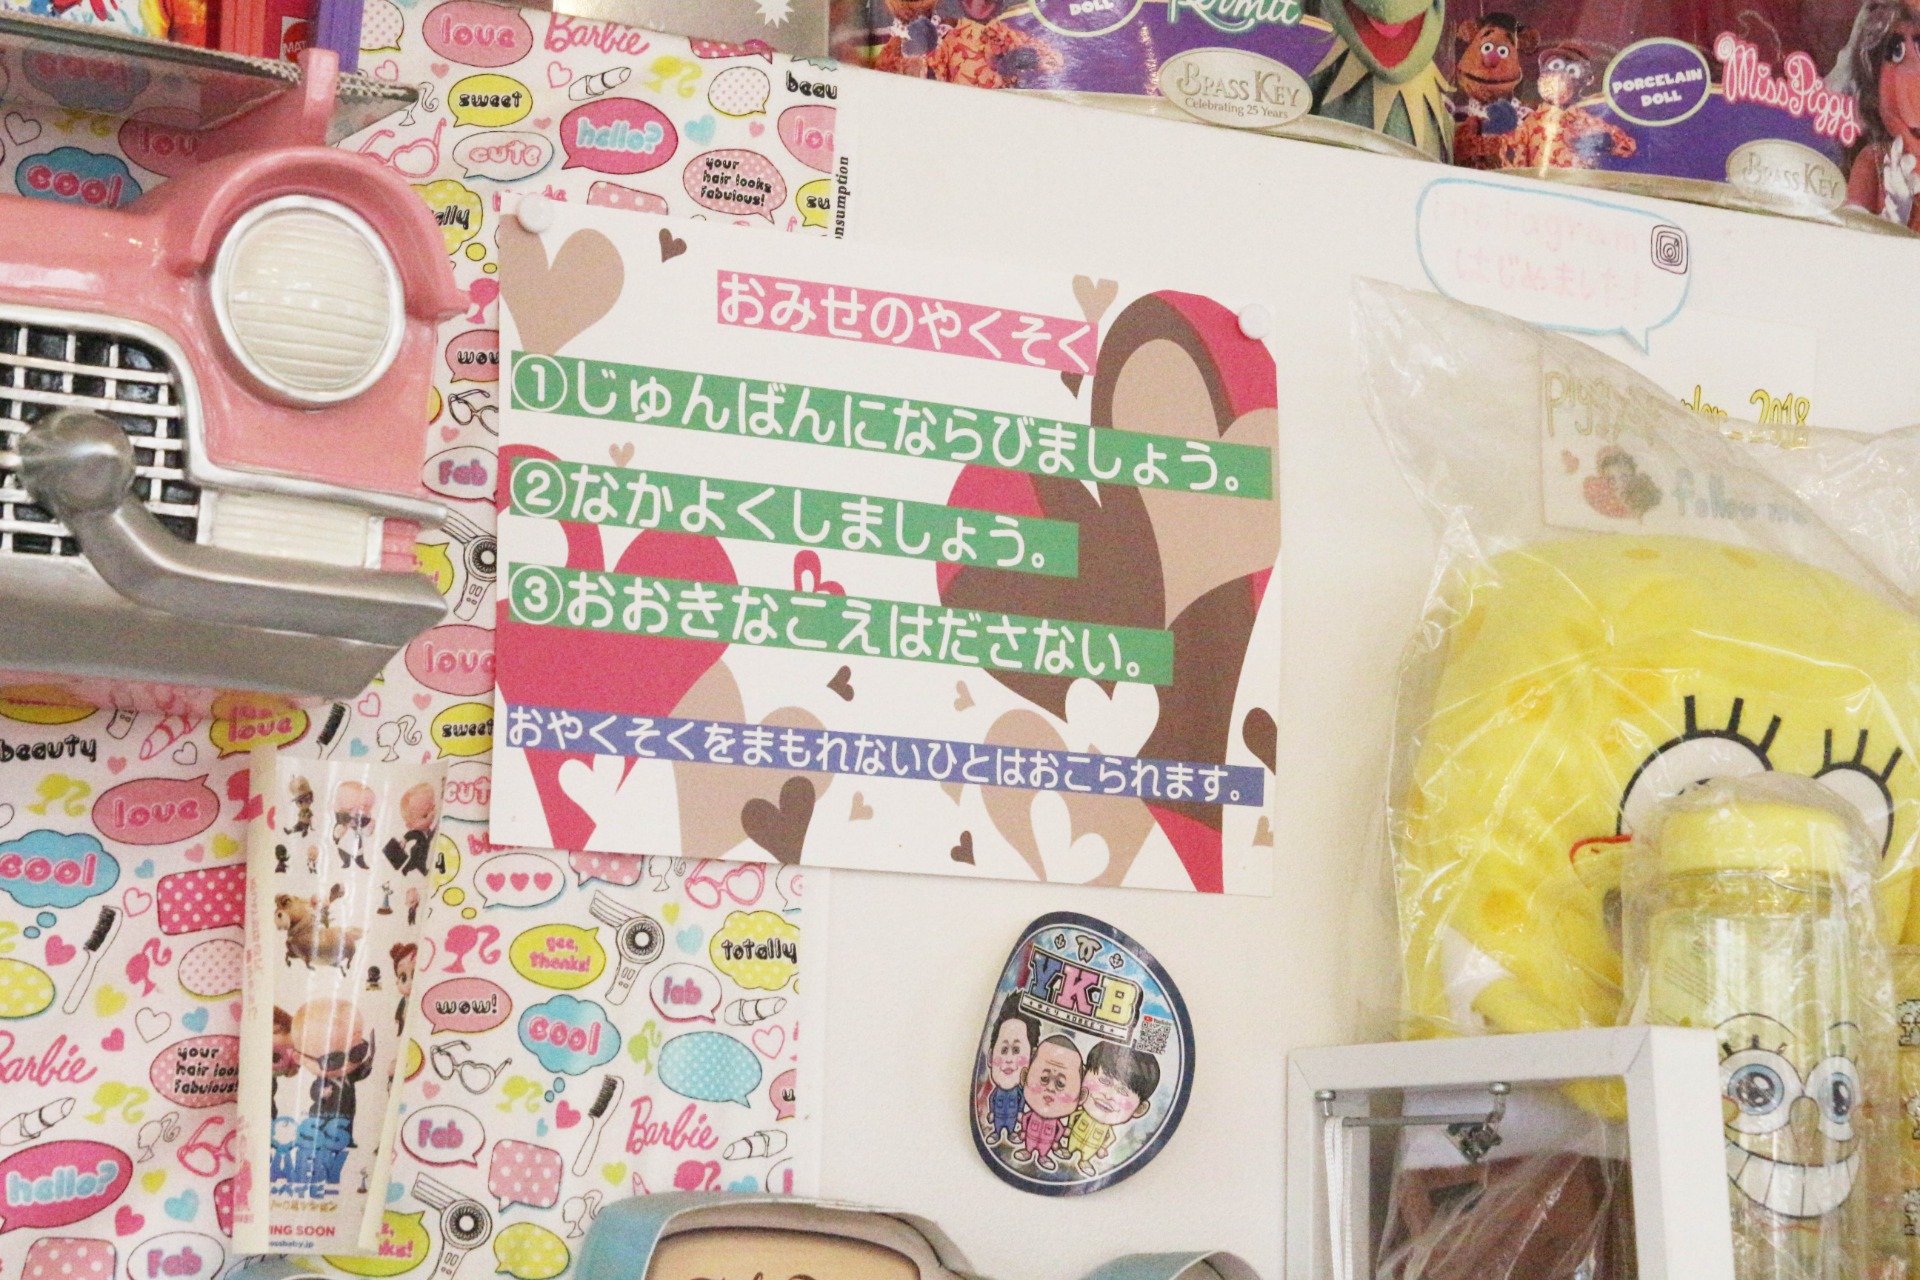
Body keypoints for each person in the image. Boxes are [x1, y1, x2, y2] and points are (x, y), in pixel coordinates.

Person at [1833, 1, 1920, 229]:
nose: (1911, 76)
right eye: (1896, 52)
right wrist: (1892, 219)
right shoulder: (1874, 161)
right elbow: (1850, 234)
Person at [1065, 1041, 1160, 1175]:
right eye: (1104, 1081)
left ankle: (1084, 1161)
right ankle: (1066, 1150)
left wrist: (1103, 1147)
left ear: (1139, 1109)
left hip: (1093, 1147)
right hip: (1074, 1137)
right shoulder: (1075, 1111)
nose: (1108, 1096)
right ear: (1082, 1075)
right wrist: (1069, 1128)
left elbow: (1111, 1138)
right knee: (1069, 1147)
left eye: (1123, 1091)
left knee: (1087, 1154)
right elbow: (1073, 1116)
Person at [1014, 1036, 1082, 1172]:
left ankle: (1043, 1156)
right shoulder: (1031, 1114)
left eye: (1060, 1083)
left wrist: (1056, 1141)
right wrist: (1023, 1131)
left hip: (1048, 1142)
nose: (1050, 1088)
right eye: (1044, 1078)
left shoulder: (1056, 1122)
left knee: (1044, 1150)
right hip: (1029, 1137)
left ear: (1081, 1096)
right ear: (1024, 1077)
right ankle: (1027, 1151)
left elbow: (1060, 1130)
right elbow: (1026, 1119)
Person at [978, 999, 1038, 1144]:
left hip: (1012, 1118)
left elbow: (1022, 1100)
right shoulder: (993, 1092)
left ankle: (1011, 1133)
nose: (1009, 1059)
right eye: (1004, 1050)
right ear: (991, 1056)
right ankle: (996, 1133)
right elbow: (991, 1099)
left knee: (1011, 1127)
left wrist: (1020, 1113)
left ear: (1032, 1059)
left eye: (1016, 1050)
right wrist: (992, 1113)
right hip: (997, 1117)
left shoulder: (1021, 1092)